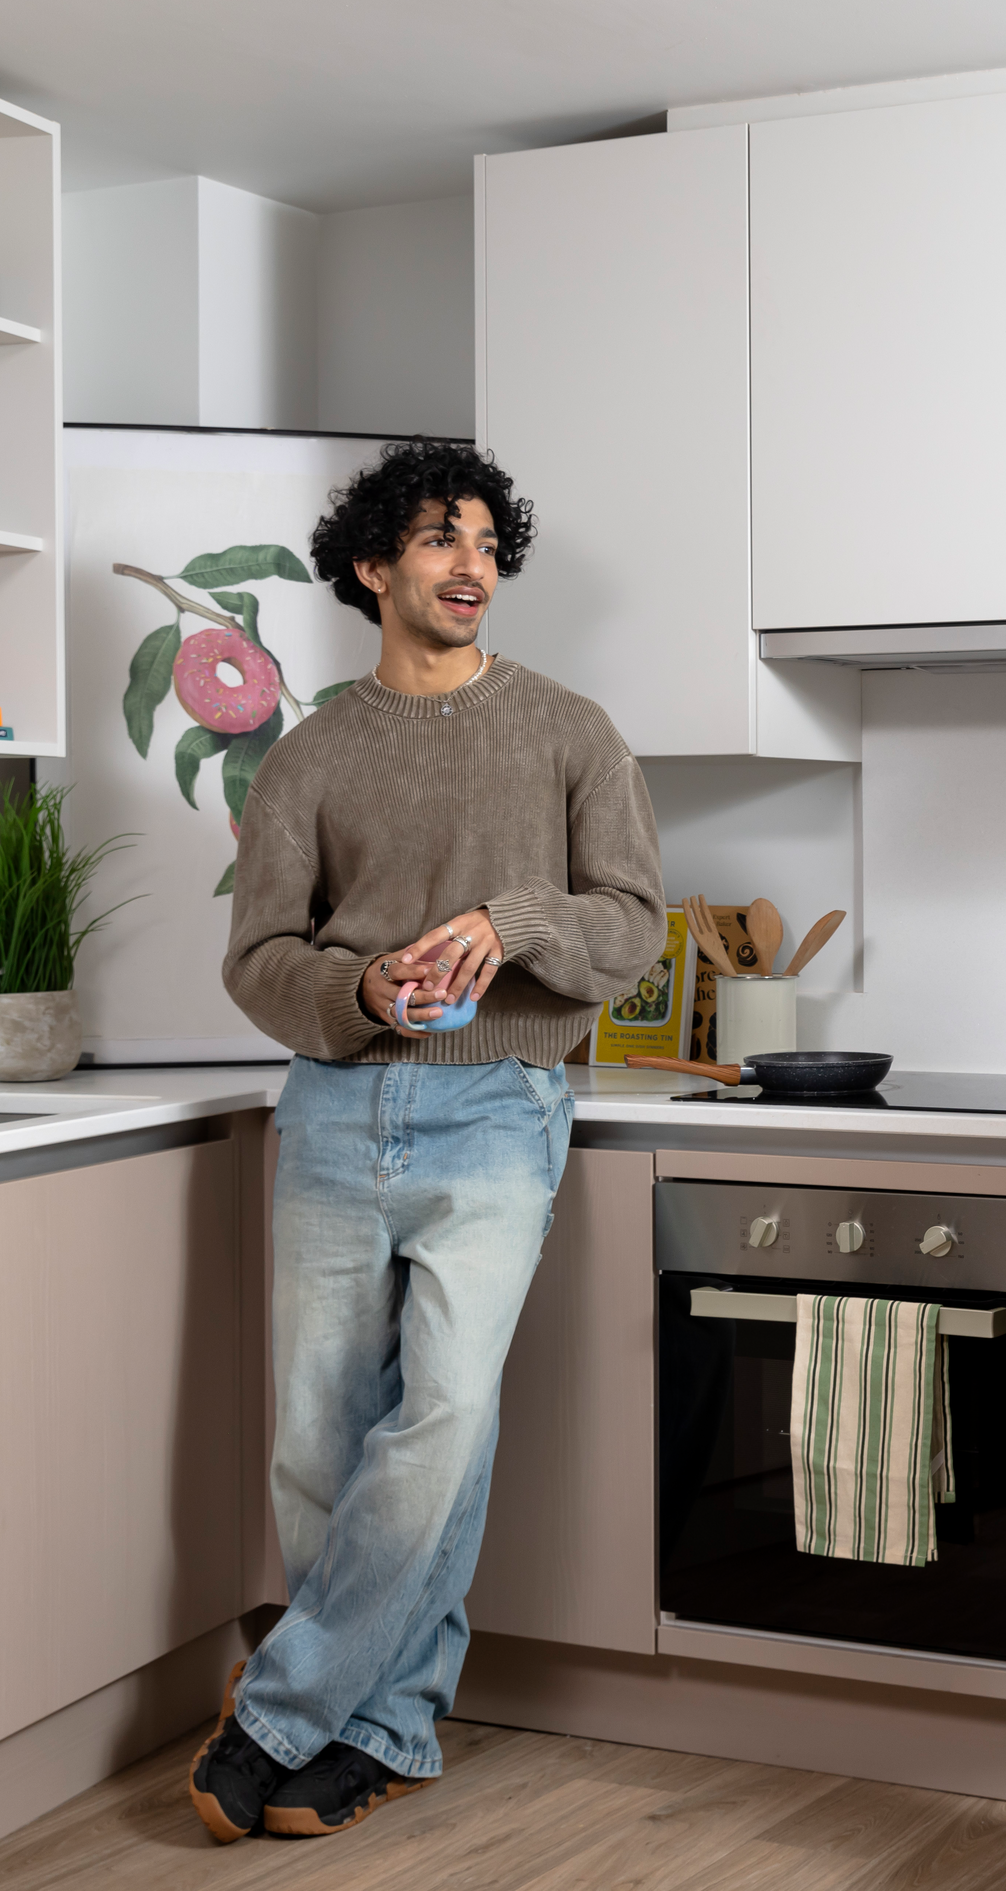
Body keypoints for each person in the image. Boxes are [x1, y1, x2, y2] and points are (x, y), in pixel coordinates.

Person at [188, 440, 666, 1841]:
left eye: (485, 543)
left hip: (500, 1107)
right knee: (317, 1444)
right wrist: (356, 989)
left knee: (442, 1420)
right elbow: (258, 954)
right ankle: (385, 1730)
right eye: (439, 542)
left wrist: (512, 924)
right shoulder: (309, 755)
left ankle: (276, 1716)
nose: (471, 568)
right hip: (337, 1105)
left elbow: (632, 926)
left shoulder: (572, 732)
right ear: (370, 568)